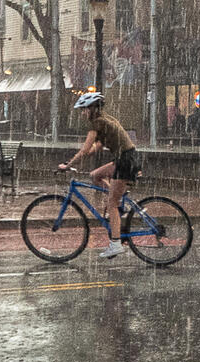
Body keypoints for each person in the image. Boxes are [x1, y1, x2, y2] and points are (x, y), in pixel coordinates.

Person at [59, 89, 142, 259]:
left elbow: (84, 150)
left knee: (111, 203)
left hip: (126, 161)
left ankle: (116, 244)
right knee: (95, 175)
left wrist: (68, 165)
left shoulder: (97, 123)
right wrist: (75, 160)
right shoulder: (105, 121)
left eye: (84, 109)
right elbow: (95, 148)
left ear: (92, 109)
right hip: (126, 158)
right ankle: (120, 203)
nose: (83, 113)